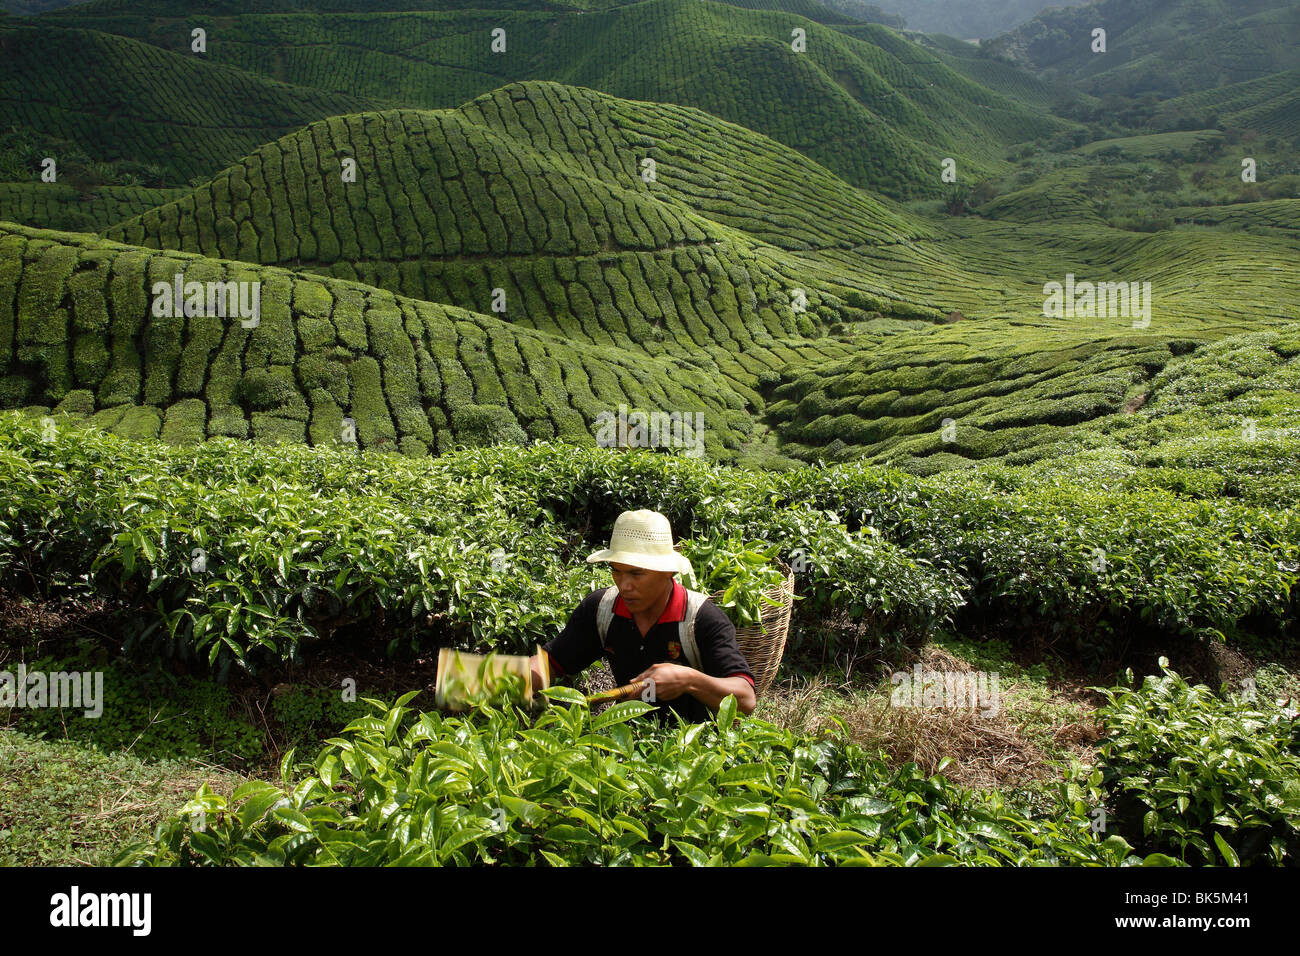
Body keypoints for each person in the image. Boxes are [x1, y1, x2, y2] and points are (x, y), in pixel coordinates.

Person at [531, 509, 757, 722]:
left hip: (700, 747)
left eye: (636, 573)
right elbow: (550, 662)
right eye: (616, 571)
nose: (624, 585)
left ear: (668, 572)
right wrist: (506, 676)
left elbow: (746, 700)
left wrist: (687, 680)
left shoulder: (701, 619)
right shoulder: (602, 609)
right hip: (632, 743)